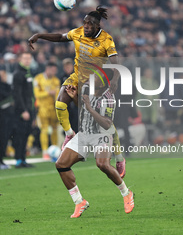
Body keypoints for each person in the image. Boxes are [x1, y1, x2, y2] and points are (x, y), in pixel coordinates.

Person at [28, 6, 125, 173]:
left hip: (95, 83)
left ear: (97, 26)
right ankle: (69, 134)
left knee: (103, 121)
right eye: (85, 23)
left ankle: (119, 157)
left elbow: (116, 63)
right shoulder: (78, 32)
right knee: (59, 104)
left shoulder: (106, 40)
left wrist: (115, 80)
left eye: (90, 24)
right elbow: (60, 37)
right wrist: (39, 35)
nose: (86, 26)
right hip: (77, 77)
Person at [55, 70, 134, 218]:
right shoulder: (86, 88)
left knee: (102, 164)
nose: (90, 78)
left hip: (102, 135)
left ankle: (126, 193)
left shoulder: (109, 99)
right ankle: (79, 201)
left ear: (102, 83)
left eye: (95, 78)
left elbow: (107, 123)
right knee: (61, 164)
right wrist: (74, 98)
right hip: (84, 134)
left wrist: (90, 108)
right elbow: (83, 106)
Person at [12, 52, 35, 168]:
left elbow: (30, 95)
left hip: (29, 109)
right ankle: (18, 160)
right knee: (20, 135)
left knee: (26, 134)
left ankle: (23, 158)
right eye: (25, 58)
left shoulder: (28, 73)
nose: (27, 60)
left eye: (29, 58)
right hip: (22, 110)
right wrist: (23, 110)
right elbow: (17, 94)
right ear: (20, 59)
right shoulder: (18, 74)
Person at [33, 62, 60, 159]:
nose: (54, 72)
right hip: (42, 108)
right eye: (52, 70)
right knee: (44, 129)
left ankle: (55, 149)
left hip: (53, 108)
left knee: (54, 129)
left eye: (55, 71)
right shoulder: (38, 79)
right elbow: (37, 94)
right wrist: (48, 92)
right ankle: (45, 152)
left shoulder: (56, 80)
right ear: (47, 69)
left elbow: (57, 96)